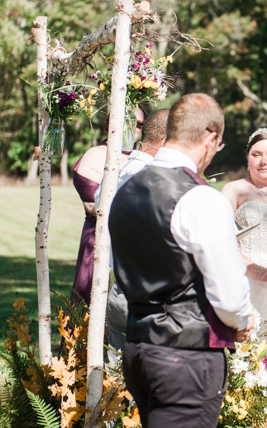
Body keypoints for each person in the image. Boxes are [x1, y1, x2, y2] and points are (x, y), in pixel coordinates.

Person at [109, 93, 254, 427]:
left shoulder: (126, 189)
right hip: (185, 356)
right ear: (211, 138)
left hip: (137, 348)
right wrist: (241, 320)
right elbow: (229, 292)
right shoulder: (198, 197)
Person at [99, 109, 169, 358]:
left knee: (118, 374)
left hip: (117, 286)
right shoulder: (150, 179)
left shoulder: (116, 174)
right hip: (145, 293)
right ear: (165, 142)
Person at [221, 126, 267, 377]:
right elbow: (223, 241)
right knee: (250, 348)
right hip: (246, 277)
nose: (263, 161)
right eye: (256, 154)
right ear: (247, 157)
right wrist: (251, 267)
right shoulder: (234, 190)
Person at [69, 108, 142, 305]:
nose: (134, 128)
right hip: (98, 237)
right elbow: (92, 204)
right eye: (128, 121)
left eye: (140, 125)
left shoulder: (142, 159)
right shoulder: (96, 154)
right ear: (111, 123)